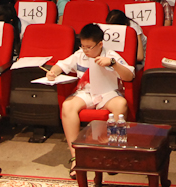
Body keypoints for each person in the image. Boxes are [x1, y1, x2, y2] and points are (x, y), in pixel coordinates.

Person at [47, 22, 134, 178]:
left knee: (120, 104)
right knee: (67, 106)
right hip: (86, 92)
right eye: (83, 46)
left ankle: (113, 153)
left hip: (107, 93)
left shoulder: (111, 55)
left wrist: (112, 63)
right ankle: (76, 157)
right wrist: (52, 72)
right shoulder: (79, 55)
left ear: (100, 44)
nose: (85, 50)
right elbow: (60, 65)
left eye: (89, 47)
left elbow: (129, 76)